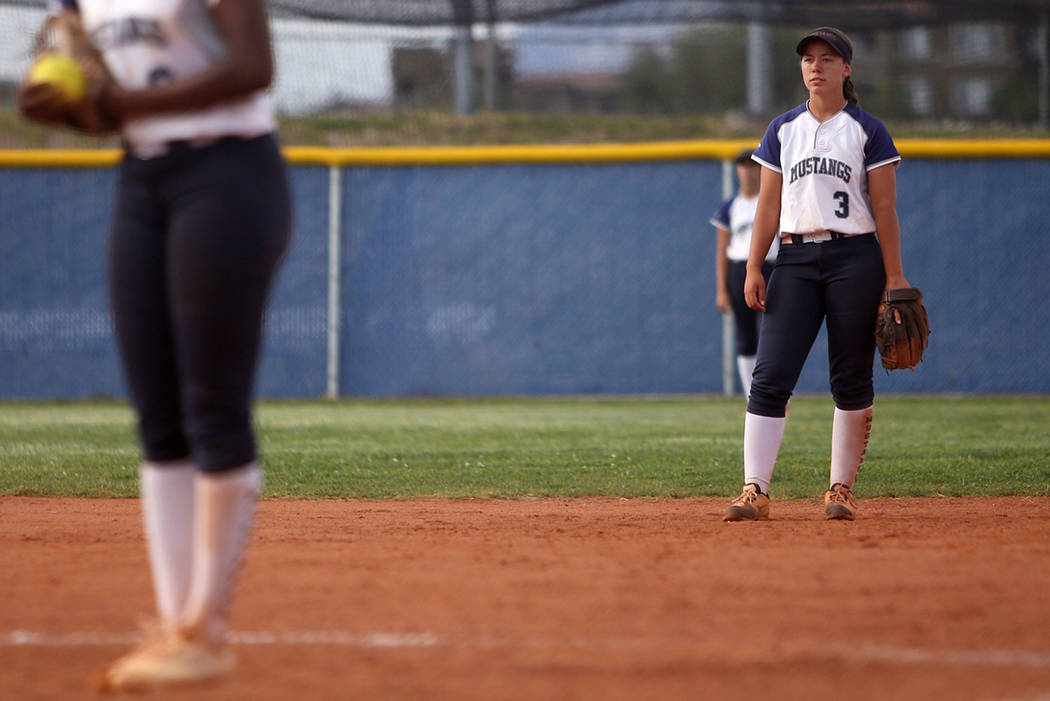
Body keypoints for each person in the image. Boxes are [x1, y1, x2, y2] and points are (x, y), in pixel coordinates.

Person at [18, 0, 291, 690]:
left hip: (227, 171)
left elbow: (253, 68)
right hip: (143, 179)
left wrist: (121, 99)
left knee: (213, 406)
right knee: (158, 417)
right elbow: (102, 94)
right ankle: (177, 629)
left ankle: (205, 629)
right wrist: (69, 105)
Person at [722, 27, 909, 522]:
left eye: (828, 58)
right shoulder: (782, 130)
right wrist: (755, 266)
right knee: (770, 375)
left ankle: (840, 489)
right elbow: (767, 205)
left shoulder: (868, 130)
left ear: (847, 69)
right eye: (808, 58)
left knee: (850, 377)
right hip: (795, 260)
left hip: (856, 258)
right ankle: (754, 490)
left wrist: (895, 276)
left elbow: (885, 209)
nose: (815, 66)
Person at [711, 149, 778, 398]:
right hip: (739, 270)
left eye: (753, 166)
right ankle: (754, 398)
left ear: (761, 169)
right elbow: (721, 251)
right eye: (743, 166)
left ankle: (777, 395)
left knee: (776, 335)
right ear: (737, 171)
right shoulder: (731, 206)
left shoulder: (773, 201)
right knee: (746, 336)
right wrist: (721, 289)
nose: (748, 171)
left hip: (771, 268)